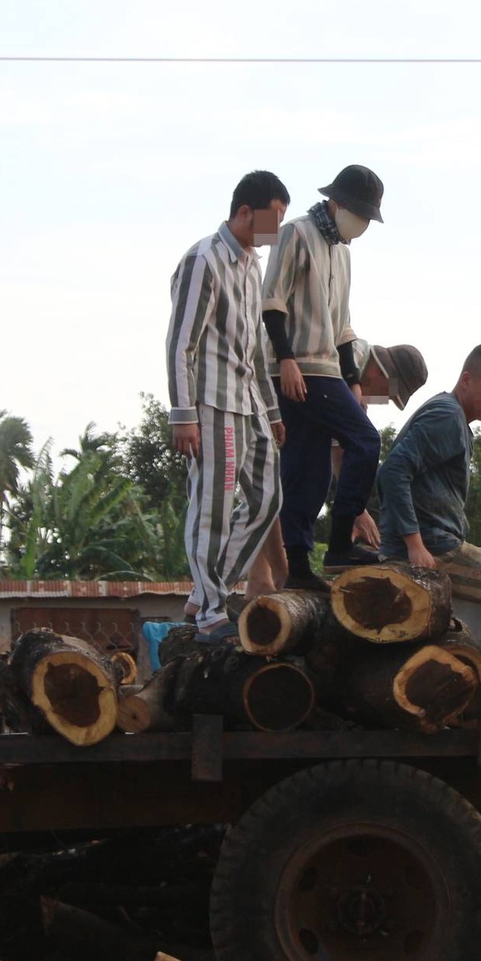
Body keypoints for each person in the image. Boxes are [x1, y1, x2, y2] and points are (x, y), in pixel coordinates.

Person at [376, 343, 481, 723]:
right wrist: (414, 544)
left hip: (438, 539)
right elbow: (392, 472)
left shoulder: (452, 418)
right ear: (467, 380)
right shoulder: (447, 417)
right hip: (433, 546)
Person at [167, 170, 291, 643]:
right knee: (213, 507)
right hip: (212, 404)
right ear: (245, 212)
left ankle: (206, 591)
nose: (276, 229)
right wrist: (183, 413)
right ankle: (210, 610)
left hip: (251, 402)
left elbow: (256, 347)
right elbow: (182, 343)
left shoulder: (251, 265)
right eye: (273, 217)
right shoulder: (203, 259)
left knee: (267, 497)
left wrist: (273, 411)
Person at [262, 165, 387, 589]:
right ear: (336, 203)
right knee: (365, 442)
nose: (362, 223)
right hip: (302, 367)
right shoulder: (296, 234)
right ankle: (338, 542)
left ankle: (298, 568)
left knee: (307, 468)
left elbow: (343, 326)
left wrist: (353, 378)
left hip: (330, 368)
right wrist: (286, 360)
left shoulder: (343, 252)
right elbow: (272, 301)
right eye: (358, 213)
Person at [246, 341, 426, 598]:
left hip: (272, 392)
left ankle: (264, 579)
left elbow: (336, 446)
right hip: (261, 387)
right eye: (388, 395)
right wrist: (357, 511)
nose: (383, 401)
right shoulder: (343, 364)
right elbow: (342, 451)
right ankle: (277, 576)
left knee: (280, 483)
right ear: (380, 373)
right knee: (285, 483)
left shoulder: (351, 374)